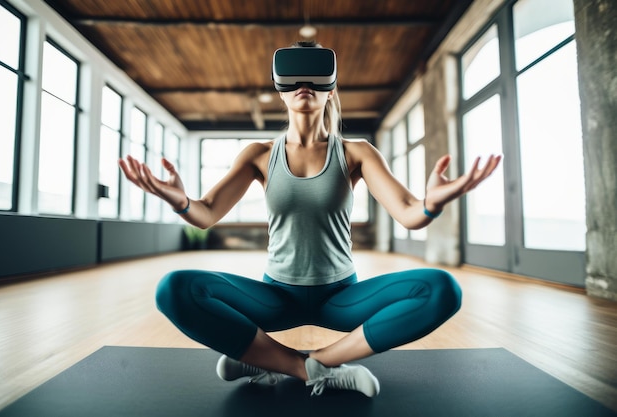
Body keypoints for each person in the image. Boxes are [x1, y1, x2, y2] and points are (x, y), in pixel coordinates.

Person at [119, 41, 501, 398]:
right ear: (280, 90)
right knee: (173, 288)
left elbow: (408, 213)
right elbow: (205, 214)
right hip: (275, 297)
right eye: (294, 79)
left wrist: (432, 203)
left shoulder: (356, 153)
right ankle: (305, 369)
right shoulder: (258, 154)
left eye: (316, 78)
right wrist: (178, 199)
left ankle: (311, 361)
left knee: (442, 289)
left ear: (331, 90)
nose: (304, 85)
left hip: (341, 297)